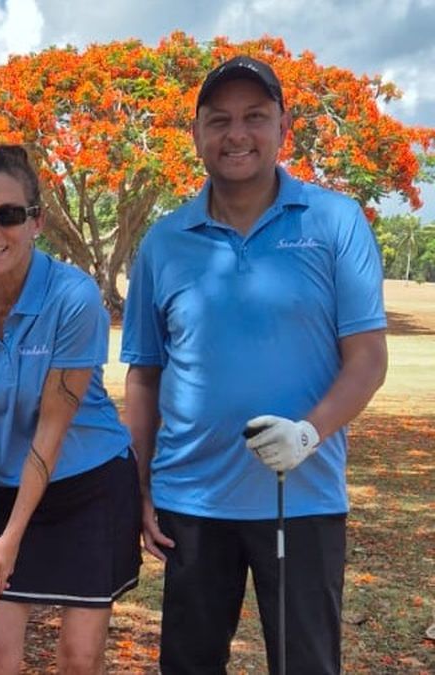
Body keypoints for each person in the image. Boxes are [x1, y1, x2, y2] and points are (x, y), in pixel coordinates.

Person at [121, 56, 388, 674]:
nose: (236, 134)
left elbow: (369, 358)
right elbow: (144, 373)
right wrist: (137, 486)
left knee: (305, 665)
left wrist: (307, 433)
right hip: (191, 501)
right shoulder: (164, 242)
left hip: (304, 498)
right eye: (219, 120)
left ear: (283, 126)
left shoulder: (334, 221)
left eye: (254, 117)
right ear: (196, 134)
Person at [0, 146, 141, 674]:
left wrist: (12, 539)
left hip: (88, 484)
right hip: (2, 487)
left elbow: (52, 428)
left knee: (79, 657)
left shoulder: (74, 297)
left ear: (37, 220)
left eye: (8, 215)